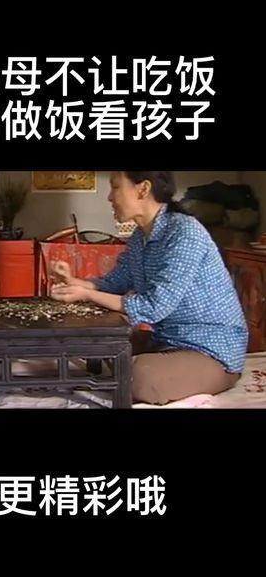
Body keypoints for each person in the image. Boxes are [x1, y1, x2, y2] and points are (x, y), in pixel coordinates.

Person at [50, 171, 249, 405]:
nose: (109, 197)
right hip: (167, 340)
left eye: (115, 187)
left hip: (211, 351)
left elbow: (154, 307)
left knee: (138, 376)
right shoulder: (139, 237)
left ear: (143, 189)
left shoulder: (185, 232)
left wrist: (87, 294)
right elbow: (114, 282)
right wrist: (73, 281)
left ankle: (147, 370)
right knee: (102, 343)